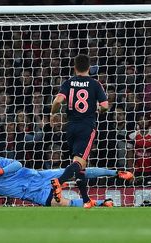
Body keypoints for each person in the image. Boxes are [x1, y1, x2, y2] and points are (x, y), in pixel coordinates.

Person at [0, 150, 134, 207]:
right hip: (33, 194)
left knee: (78, 170)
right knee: (62, 205)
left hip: (38, 177)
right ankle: (100, 203)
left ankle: (115, 172)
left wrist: (0, 172)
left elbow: (18, 165)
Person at [50, 54, 109, 208]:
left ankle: (85, 200)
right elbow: (105, 106)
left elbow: (57, 101)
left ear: (75, 67)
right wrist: (98, 109)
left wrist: (53, 113)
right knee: (79, 162)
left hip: (71, 127)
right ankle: (59, 182)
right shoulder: (95, 84)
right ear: (89, 67)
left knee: (80, 163)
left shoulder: (68, 82)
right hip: (86, 126)